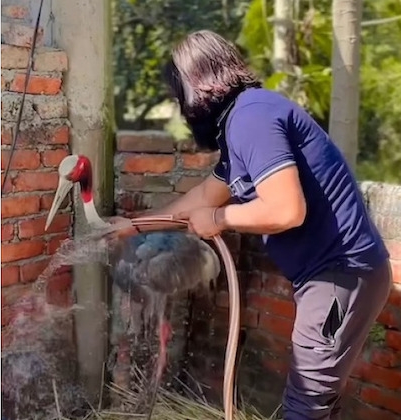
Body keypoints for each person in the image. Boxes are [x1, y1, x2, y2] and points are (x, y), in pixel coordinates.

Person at [134, 30, 391, 419]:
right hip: (333, 277)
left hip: (341, 277)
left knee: (305, 405)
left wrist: (218, 220)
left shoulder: (251, 118)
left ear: (196, 84)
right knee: (319, 404)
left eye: (180, 96)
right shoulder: (242, 120)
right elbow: (205, 197)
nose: (182, 108)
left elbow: (287, 210)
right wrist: (133, 225)